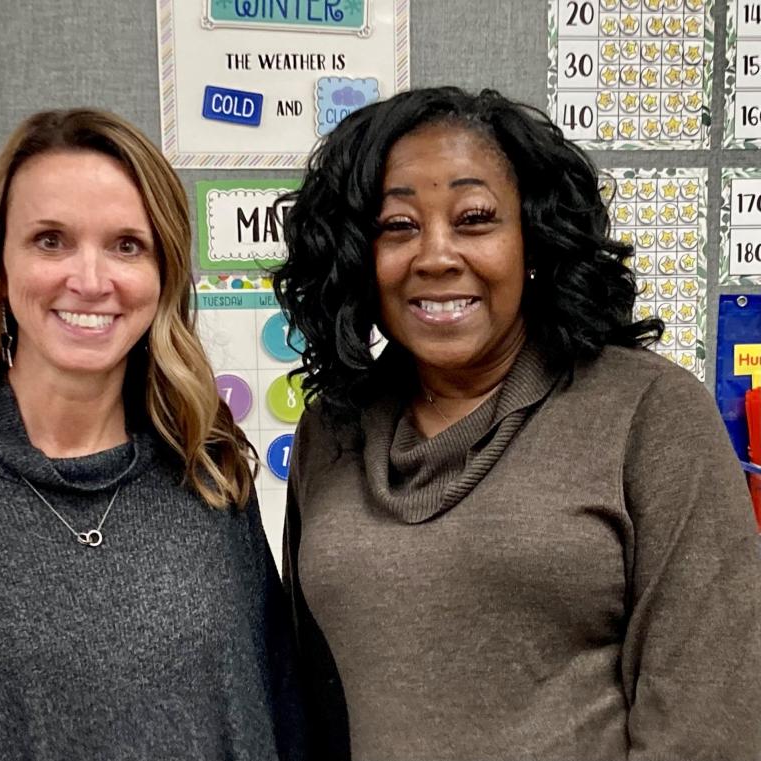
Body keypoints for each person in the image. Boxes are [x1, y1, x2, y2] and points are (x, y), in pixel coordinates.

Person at [273, 86, 761, 761]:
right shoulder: (332, 429)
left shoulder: (651, 412)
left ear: (533, 240)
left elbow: (710, 721)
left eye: (474, 218)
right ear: (359, 257)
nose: (436, 255)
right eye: (397, 226)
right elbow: (307, 694)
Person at [0, 108, 303, 761]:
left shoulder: (206, 467)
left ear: (164, 276)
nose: (91, 280)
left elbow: (277, 710)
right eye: (51, 240)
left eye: (127, 244)